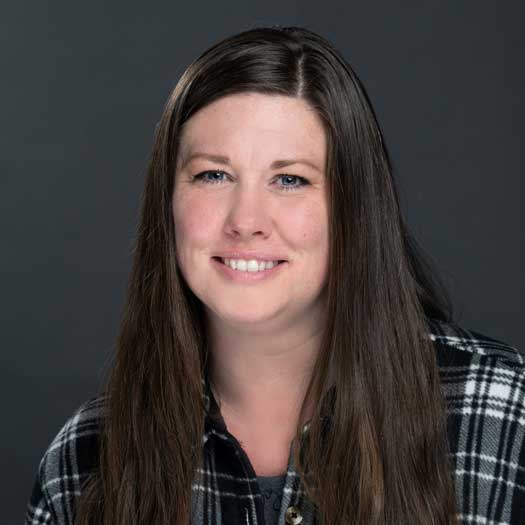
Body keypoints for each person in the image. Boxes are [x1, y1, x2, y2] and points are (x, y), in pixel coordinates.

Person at [25, 25, 525, 525]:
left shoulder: (502, 411)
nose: (246, 220)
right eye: (213, 174)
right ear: (168, 201)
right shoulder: (86, 456)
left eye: (290, 180)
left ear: (353, 208)